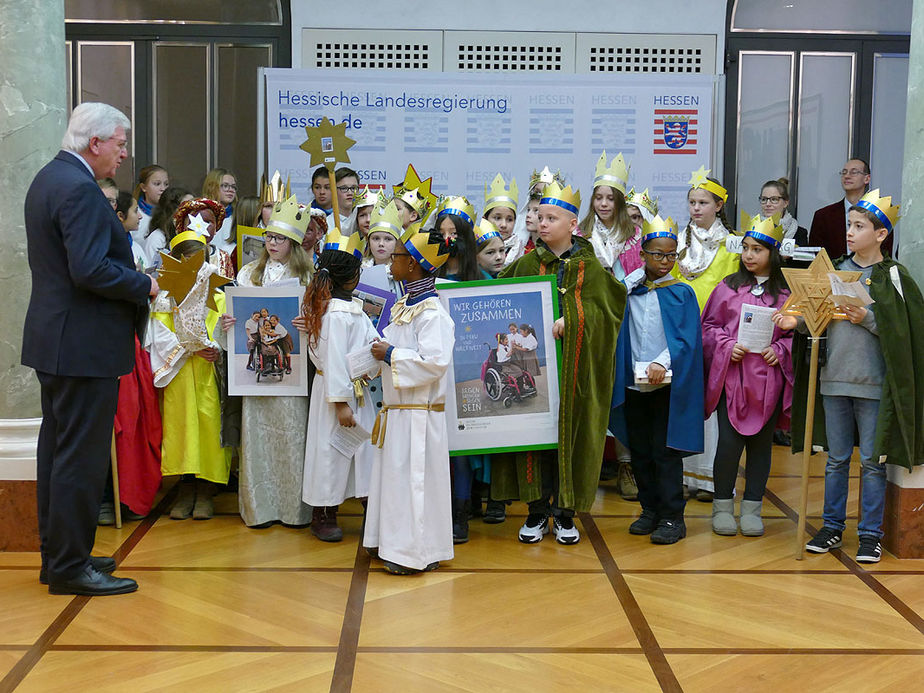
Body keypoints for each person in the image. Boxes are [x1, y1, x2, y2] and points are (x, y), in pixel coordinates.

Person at [23, 102, 156, 596]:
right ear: (95, 143)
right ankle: (70, 567)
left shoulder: (48, 178)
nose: (124, 154)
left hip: (57, 341)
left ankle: (59, 555)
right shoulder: (79, 188)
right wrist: (143, 284)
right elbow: (90, 270)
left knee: (58, 453)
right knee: (80, 458)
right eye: (120, 143)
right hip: (82, 345)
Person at [781, 189, 924, 563]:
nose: (850, 232)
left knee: (874, 463)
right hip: (834, 379)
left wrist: (870, 318)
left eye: (859, 226)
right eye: (849, 224)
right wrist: (795, 322)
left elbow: (908, 331)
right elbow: (814, 320)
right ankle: (830, 528)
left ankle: (870, 534)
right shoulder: (832, 271)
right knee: (836, 459)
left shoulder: (892, 277)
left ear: (880, 235)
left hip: (874, 383)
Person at [492, 182, 626, 545]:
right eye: (539, 216)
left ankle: (566, 514)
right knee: (536, 438)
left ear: (572, 225)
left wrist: (574, 318)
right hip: (535, 374)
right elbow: (501, 305)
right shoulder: (524, 264)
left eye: (552, 218)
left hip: (576, 372)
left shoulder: (590, 267)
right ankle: (537, 511)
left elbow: (609, 311)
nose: (543, 223)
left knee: (572, 435)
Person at [365, 211, 456, 574]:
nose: (393, 261)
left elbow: (435, 362)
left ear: (415, 266)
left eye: (399, 256)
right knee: (395, 481)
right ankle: (389, 540)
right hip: (398, 411)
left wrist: (389, 354)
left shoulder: (432, 313)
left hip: (418, 414)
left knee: (414, 484)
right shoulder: (405, 307)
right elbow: (389, 346)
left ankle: (415, 553)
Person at [221, 195, 315, 528]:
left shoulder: (308, 277)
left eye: (280, 239)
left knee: (292, 437)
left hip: (295, 378)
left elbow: (322, 326)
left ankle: (293, 510)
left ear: (294, 243)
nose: (272, 243)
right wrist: (227, 324)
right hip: (255, 382)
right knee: (258, 438)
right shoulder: (249, 273)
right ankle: (260, 509)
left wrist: (309, 325)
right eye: (269, 237)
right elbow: (230, 321)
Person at [610, 215, 704, 544]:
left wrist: (662, 363)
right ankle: (648, 510)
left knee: (665, 453)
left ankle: (671, 517)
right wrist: (633, 278)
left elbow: (687, 338)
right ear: (643, 254)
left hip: (665, 385)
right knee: (640, 451)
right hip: (633, 383)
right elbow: (611, 303)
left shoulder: (681, 293)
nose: (665, 262)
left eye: (671, 255)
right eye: (657, 254)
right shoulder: (629, 291)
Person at [702, 214, 793, 537]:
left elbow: (795, 337)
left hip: (768, 381)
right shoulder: (727, 289)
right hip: (734, 379)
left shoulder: (786, 295)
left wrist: (780, 351)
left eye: (758, 249)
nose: (750, 255)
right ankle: (723, 506)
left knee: (761, 448)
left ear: (774, 254)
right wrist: (727, 346)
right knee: (728, 444)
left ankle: (753, 506)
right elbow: (708, 327)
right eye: (746, 248)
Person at [148, 222, 231, 521]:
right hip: (181, 373)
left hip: (208, 372)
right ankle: (185, 485)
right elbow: (159, 334)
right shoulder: (165, 299)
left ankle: (207, 488)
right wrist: (188, 347)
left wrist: (215, 348)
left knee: (210, 427)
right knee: (182, 428)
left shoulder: (217, 296)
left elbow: (223, 331)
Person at [302, 226, 379, 541]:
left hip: (357, 392)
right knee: (330, 453)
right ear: (350, 277)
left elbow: (370, 344)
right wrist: (341, 403)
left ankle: (370, 507)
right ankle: (323, 512)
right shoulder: (335, 314)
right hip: (338, 397)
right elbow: (333, 361)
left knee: (365, 451)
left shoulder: (351, 310)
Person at [672, 166, 738, 502]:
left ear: (718, 206)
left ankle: (713, 478)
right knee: (687, 402)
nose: (696, 208)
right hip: (684, 335)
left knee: (714, 403)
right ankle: (686, 474)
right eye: (692, 202)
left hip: (717, 335)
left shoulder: (732, 245)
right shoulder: (678, 244)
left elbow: (735, 291)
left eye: (703, 202)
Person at [810, 158, 894, 259]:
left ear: (867, 178)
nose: (847, 176)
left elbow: (885, 253)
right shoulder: (823, 216)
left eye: (854, 172)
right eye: (844, 172)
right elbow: (815, 257)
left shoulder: (881, 212)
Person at [578, 151, 642, 280]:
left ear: (619, 202)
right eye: (598, 198)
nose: (603, 204)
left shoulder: (634, 235)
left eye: (611, 199)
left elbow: (640, 270)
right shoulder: (580, 233)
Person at [435, 196, 482, 281]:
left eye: (453, 233)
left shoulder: (483, 280)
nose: (446, 238)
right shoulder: (427, 277)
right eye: (441, 234)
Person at [145, 185, 194, 266]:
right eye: (187, 208)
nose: (194, 212)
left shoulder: (193, 234)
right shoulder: (157, 238)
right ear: (173, 212)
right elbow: (152, 272)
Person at [202, 168, 238, 271]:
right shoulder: (200, 215)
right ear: (212, 187)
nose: (230, 190)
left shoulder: (238, 216)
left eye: (233, 187)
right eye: (225, 186)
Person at [759, 178, 807, 246]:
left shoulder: (799, 233)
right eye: (764, 199)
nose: (768, 204)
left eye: (774, 199)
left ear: (786, 203)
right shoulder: (752, 229)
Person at [482, 173, 519, 260]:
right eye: (497, 218)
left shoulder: (522, 252)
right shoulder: (475, 252)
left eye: (509, 219)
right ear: (485, 220)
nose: (503, 225)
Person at [134, 164, 169, 244]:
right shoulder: (135, 213)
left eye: (166, 184)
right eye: (157, 184)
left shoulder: (171, 213)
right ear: (143, 187)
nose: (163, 189)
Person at [115, 191, 148, 272]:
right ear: (121, 216)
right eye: (136, 211)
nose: (140, 216)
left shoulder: (136, 247)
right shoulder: (108, 249)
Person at [326, 166, 360, 230]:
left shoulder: (366, 222)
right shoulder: (327, 225)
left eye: (353, 188)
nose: (350, 193)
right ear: (333, 191)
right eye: (344, 188)